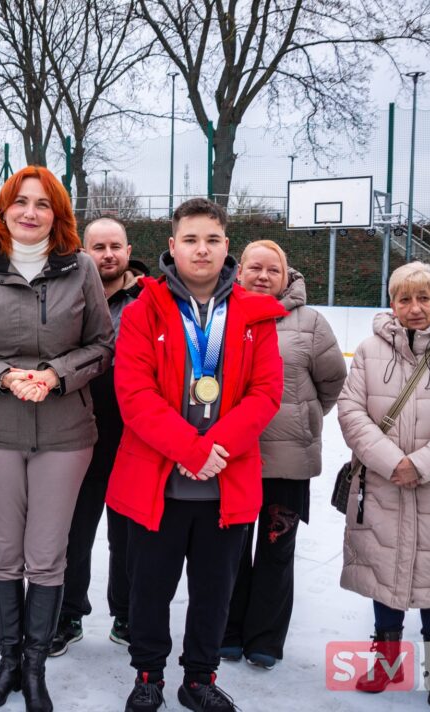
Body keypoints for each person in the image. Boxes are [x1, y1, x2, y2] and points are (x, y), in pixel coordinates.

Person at [0, 165, 114, 712]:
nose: (30, 212)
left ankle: (35, 668)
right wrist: (3, 376)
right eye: (21, 202)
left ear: (57, 214)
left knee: (46, 555)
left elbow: (101, 346)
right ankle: (8, 662)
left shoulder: (81, 269)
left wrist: (55, 375)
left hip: (65, 434)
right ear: (5, 210)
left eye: (42, 204)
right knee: (4, 553)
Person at [106, 198, 285, 712]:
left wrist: (214, 451)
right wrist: (189, 449)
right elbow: (134, 394)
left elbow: (266, 393)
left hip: (225, 480)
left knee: (214, 591)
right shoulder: (142, 311)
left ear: (227, 246)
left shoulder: (255, 315)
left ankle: (199, 678)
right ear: (173, 246)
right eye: (190, 239)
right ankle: (148, 675)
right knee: (149, 590)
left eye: (211, 239)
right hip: (158, 481)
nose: (201, 249)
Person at [337, 261, 430, 711]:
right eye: (405, 298)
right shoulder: (370, 351)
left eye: (424, 298)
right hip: (382, 484)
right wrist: (391, 463)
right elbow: (351, 411)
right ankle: (387, 663)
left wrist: (420, 465)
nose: (415, 307)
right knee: (385, 571)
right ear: (393, 303)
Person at [219, 240, 347, 670]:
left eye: (272, 270)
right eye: (255, 268)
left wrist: (303, 417)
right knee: (230, 549)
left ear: (286, 275)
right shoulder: (221, 313)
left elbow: (332, 382)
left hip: (289, 462)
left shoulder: (310, 323)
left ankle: (265, 640)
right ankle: (228, 630)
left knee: (277, 548)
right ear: (238, 272)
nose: (263, 276)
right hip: (232, 457)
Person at [51, 216, 143, 656]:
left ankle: (126, 614)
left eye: (115, 247)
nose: (108, 255)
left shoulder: (149, 299)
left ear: (128, 251)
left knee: (127, 533)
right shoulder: (67, 295)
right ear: (83, 252)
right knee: (73, 530)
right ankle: (68, 614)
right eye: (98, 247)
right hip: (76, 431)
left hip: (132, 435)